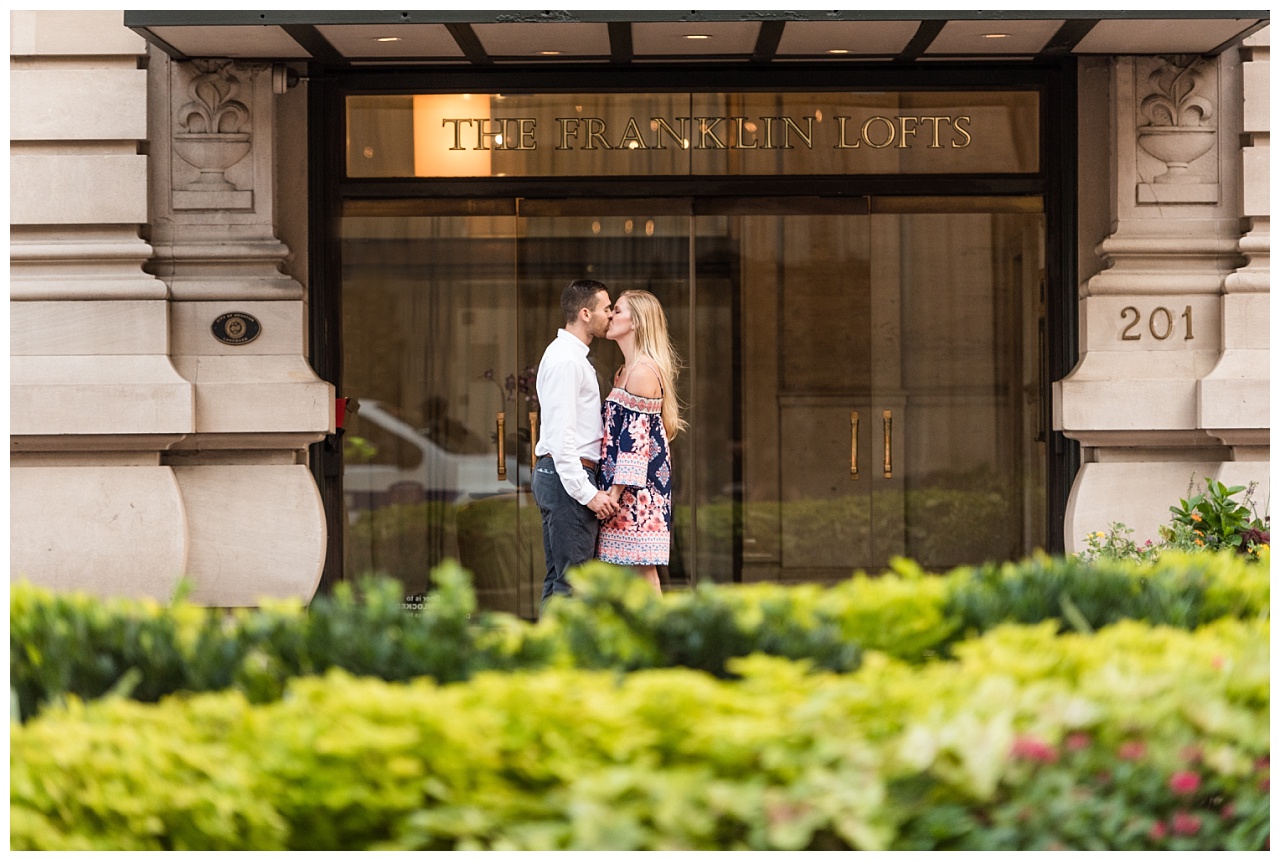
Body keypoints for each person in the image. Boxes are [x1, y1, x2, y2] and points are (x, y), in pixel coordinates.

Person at [532, 279, 620, 608]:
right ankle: (563, 659)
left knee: (561, 579)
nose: (610, 314)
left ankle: (546, 656)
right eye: (606, 308)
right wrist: (589, 494)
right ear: (585, 313)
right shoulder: (567, 361)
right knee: (573, 583)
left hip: (560, 477)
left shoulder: (570, 357)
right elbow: (561, 437)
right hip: (567, 479)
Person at [596, 289, 686, 595]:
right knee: (625, 574)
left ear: (636, 322)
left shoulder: (643, 372)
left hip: (638, 490)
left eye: (617, 311)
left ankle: (659, 639)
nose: (610, 316)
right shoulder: (624, 371)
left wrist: (613, 493)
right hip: (621, 488)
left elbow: (634, 444)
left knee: (643, 570)